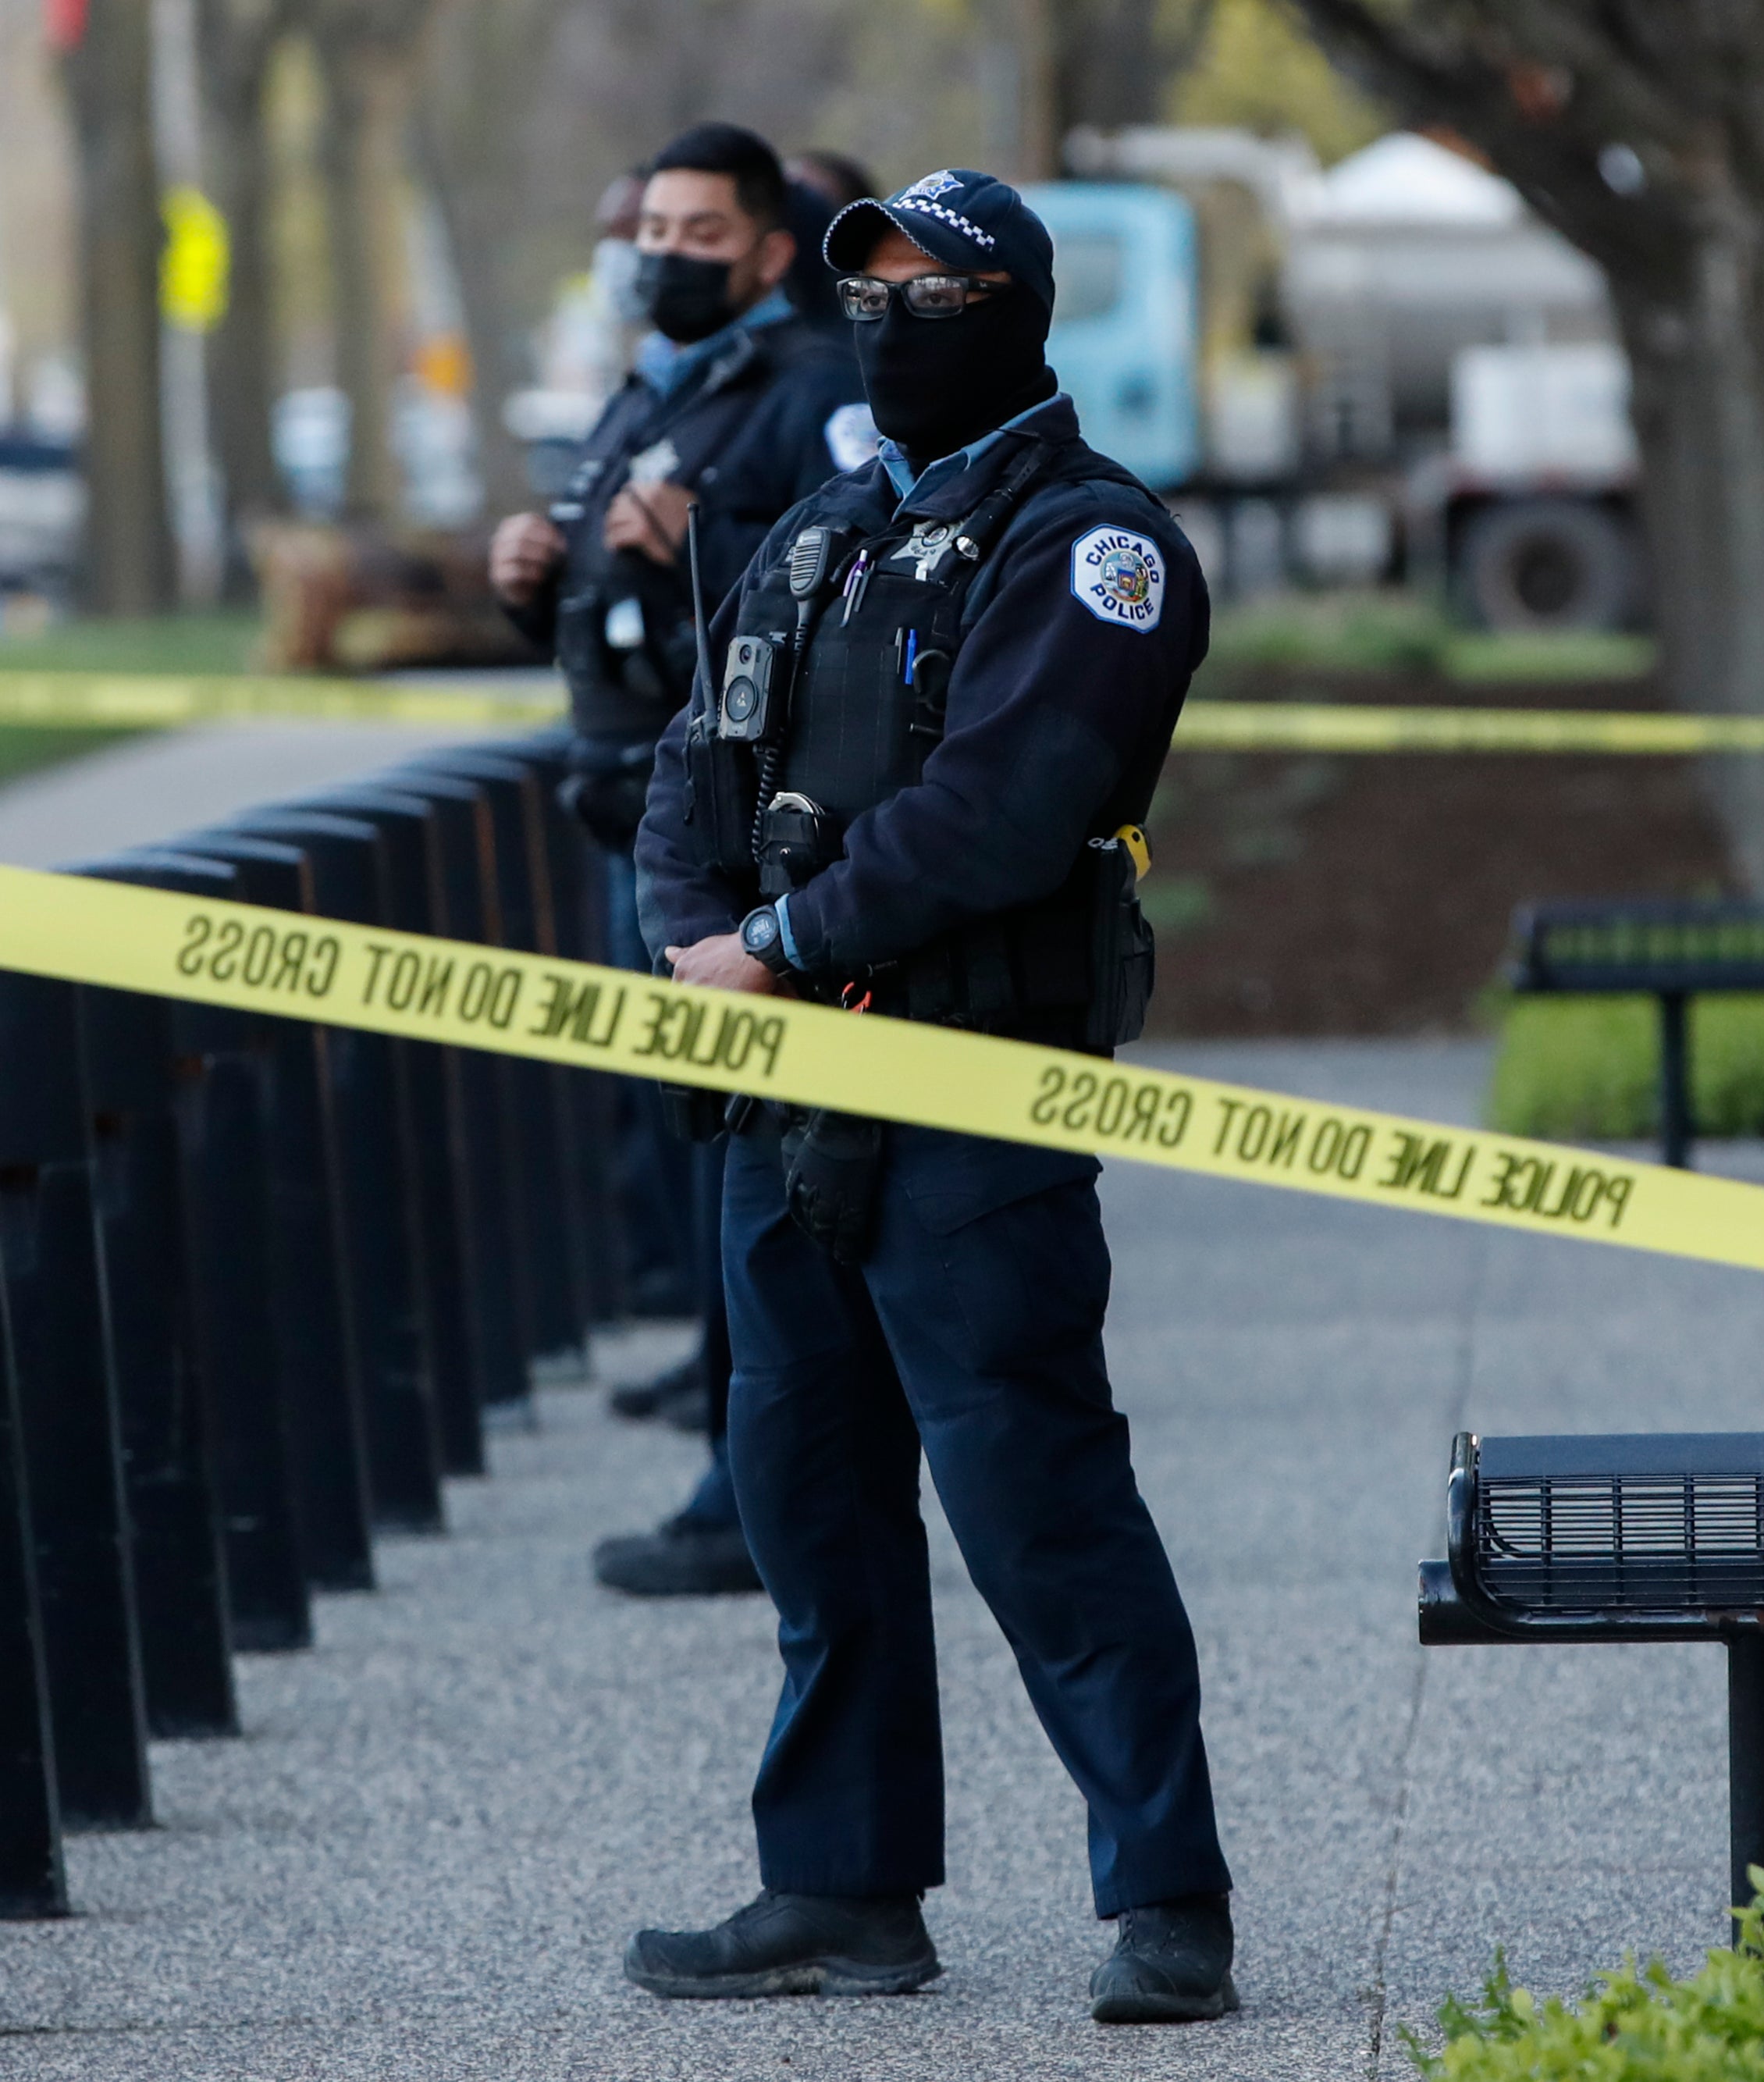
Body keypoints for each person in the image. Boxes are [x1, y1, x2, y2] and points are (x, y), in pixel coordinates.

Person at [626, 169, 1234, 2023]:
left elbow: (1003, 808)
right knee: (807, 1503)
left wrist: (778, 940)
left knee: (1036, 1502)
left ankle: (1170, 1902)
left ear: (1016, 314)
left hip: (968, 1095)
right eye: (865, 297)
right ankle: (839, 1886)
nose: (889, 327)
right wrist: (695, 940)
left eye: (930, 297)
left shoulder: (1094, 545)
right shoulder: (825, 530)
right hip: (787, 1089)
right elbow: (691, 770)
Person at [487, 121, 862, 1599]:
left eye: (702, 237)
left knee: (741, 1178)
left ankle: (746, 1495)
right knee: (699, 1165)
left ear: (770, 252)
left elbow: (855, 581)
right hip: (633, 817)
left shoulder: (813, 388)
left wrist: (715, 530)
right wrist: (537, 581)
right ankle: (744, 1470)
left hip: (723, 834)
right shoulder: (658, 384)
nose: (667, 259)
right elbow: (616, 596)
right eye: (655, 233)